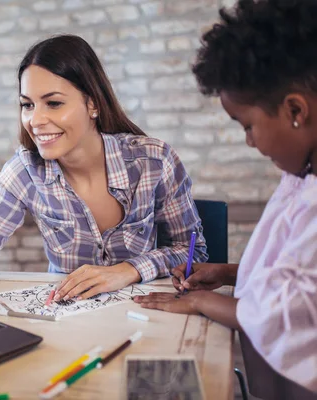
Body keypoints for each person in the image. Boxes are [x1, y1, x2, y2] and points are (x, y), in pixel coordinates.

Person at [0, 34, 207, 335]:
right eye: (27, 104)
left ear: (93, 104)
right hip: (67, 323)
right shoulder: (25, 171)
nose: (36, 120)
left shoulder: (154, 160)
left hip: (147, 319)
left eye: (53, 103)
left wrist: (127, 270)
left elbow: (192, 252)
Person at [133, 1, 317, 398]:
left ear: (295, 110)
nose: (250, 141)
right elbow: (299, 276)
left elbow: (284, 316)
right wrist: (229, 272)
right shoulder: (301, 178)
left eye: (248, 126)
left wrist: (201, 303)